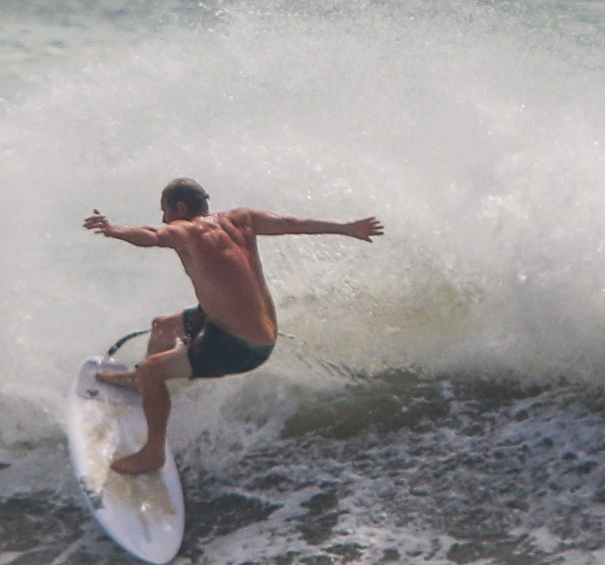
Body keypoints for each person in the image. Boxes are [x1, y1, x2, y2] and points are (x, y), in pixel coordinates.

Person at [84, 177, 383, 474]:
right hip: (242, 325)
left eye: (165, 210)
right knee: (163, 327)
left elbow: (152, 235)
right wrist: (346, 228)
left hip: (239, 346)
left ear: (180, 208)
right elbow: (292, 222)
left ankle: (153, 452)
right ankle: (142, 385)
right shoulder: (242, 219)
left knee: (152, 369)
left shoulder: (186, 231)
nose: (163, 218)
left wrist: (113, 231)